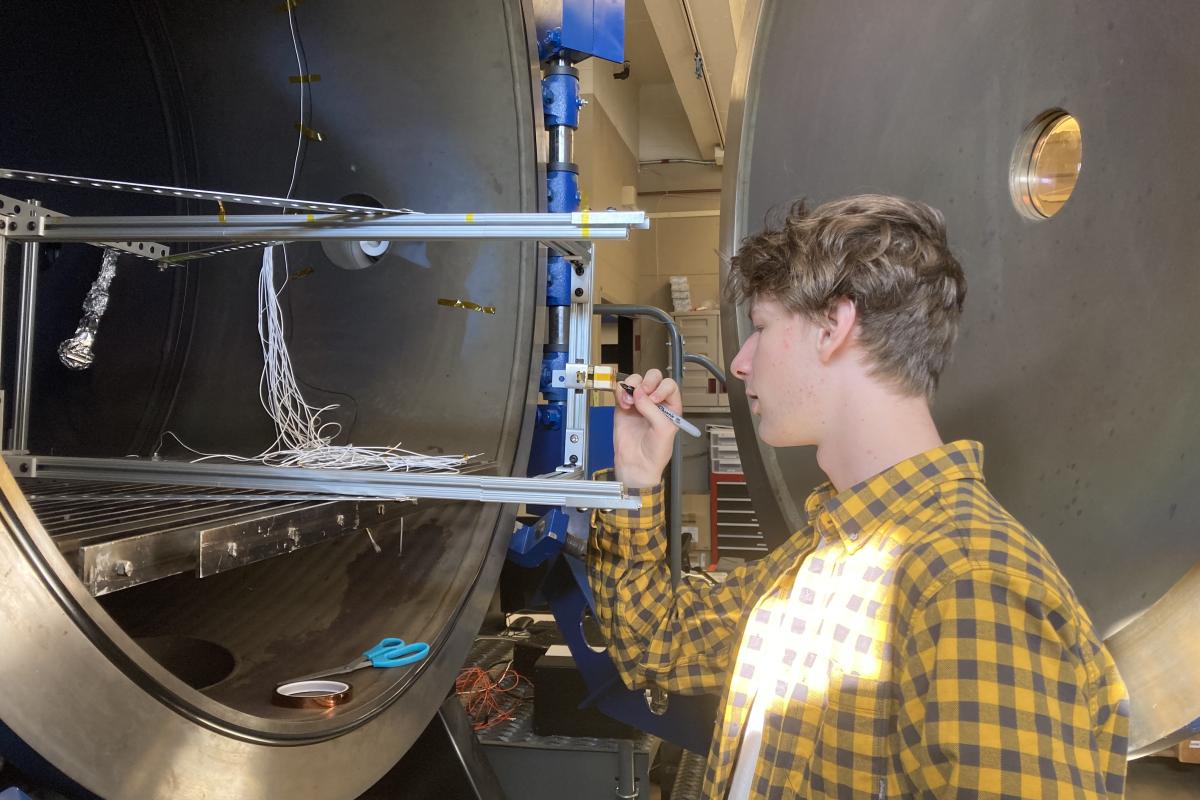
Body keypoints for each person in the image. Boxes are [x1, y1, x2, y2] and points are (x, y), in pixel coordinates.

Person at [587, 195, 1129, 799]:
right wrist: (637, 480)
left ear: (833, 326)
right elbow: (657, 643)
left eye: (760, 328)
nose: (740, 364)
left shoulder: (968, 585)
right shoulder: (826, 556)